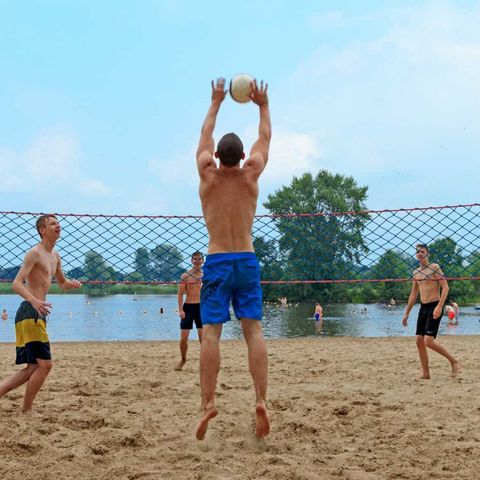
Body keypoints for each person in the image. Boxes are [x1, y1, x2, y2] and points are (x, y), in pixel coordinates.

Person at [195, 77, 271, 441]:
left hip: (217, 261)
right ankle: (261, 400)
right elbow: (265, 138)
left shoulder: (206, 174)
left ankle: (208, 403)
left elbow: (205, 135)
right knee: (253, 330)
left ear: (216, 157)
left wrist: (216, 101)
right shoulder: (251, 173)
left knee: (211, 332)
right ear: (242, 157)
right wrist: (263, 105)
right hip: (246, 260)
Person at [0, 215, 81, 414]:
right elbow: (16, 284)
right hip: (30, 312)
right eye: (52, 223)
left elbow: (62, 284)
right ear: (42, 230)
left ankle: (18, 403)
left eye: (58, 223)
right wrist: (33, 300)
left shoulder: (56, 256)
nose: (58, 225)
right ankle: (27, 409)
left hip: (38, 314)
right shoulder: (34, 253)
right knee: (45, 365)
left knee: (33, 367)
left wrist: (71, 284)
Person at [401, 243, 460, 379]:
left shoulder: (434, 267)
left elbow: (445, 287)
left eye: (422, 251)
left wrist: (439, 306)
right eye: (417, 251)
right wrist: (406, 313)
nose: (420, 253)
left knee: (428, 341)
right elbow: (413, 294)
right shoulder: (416, 272)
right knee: (419, 341)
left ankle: (454, 361)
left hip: (434, 305)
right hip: (423, 307)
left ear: (427, 253)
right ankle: (426, 373)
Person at [175, 251, 204, 371]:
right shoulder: (185, 276)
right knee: (183, 338)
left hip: (201, 307)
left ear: (202, 260)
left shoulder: (206, 275)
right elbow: (180, 294)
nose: (197, 261)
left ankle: (205, 361)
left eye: (199, 259)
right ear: (191, 260)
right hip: (188, 307)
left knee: (203, 337)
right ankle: (183, 359)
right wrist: (180, 310)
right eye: (195, 259)